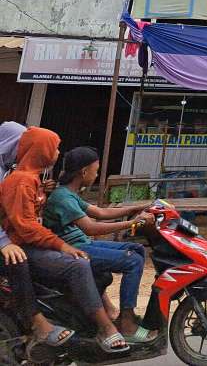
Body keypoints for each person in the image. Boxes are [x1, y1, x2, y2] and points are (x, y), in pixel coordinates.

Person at [0, 126, 130, 354]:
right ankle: (106, 328)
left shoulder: (29, 179)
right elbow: (26, 226)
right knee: (79, 265)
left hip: (29, 242)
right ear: (42, 150)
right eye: (55, 147)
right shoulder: (20, 180)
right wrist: (62, 245)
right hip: (21, 245)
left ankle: (86, 320)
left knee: (95, 266)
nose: (59, 152)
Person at [44, 146, 155, 343]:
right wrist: (133, 223)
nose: (96, 174)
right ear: (84, 172)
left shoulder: (69, 194)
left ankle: (121, 314)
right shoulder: (62, 197)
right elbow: (91, 228)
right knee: (132, 261)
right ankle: (127, 323)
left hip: (82, 243)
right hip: (76, 249)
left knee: (137, 249)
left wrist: (140, 207)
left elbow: (100, 212)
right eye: (95, 170)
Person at [0, 122, 77, 352]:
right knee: (18, 260)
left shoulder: (10, 170)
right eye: (22, 143)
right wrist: (3, 242)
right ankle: (37, 323)